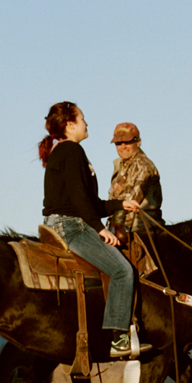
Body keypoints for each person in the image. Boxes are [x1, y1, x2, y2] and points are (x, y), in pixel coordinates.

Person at [39, 101, 141, 358]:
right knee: (122, 271)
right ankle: (119, 338)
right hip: (71, 226)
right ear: (70, 125)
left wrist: (121, 204)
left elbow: (90, 201)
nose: (87, 123)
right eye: (82, 119)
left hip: (67, 221)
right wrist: (99, 229)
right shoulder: (72, 151)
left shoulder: (66, 152)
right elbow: (77, 197)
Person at [106, 121, 163, 239]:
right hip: (121, 228)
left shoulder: (142, 164)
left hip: (141, 230)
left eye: (127, 142)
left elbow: (130, 201)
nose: (123, 146)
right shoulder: (122, 165)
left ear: (138, 142)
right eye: (118, 143)